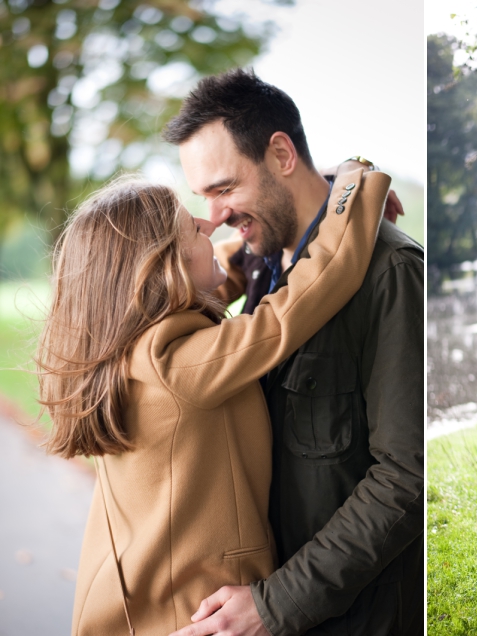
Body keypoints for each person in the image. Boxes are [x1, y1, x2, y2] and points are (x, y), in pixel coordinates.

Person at [36, 174, 384, 634]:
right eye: (191, 227)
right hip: (199, 614)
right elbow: (314, 286)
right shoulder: (179, 365)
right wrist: (352, 188)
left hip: (135, 603)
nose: (209, 222)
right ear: (163, 266)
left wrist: (274, 216)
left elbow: (207, 275)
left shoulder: (123, 340)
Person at [163, 69, 424, 635]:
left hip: (358, 618)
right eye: (202, 196)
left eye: (224, 188)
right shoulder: (256, 260)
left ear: (281, 152)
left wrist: (276, 602)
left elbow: (406, 475)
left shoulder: (391, 271)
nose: (215, 217)